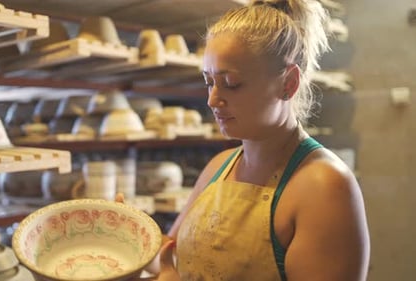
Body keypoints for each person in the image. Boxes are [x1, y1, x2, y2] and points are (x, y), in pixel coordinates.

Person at [121, 0, 370, 280]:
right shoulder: (219, 168)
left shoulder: (323, 187)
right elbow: (175, 255)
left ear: (288, 83)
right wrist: (128, 235)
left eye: (231, 83)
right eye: (209, 82)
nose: (213, 99)